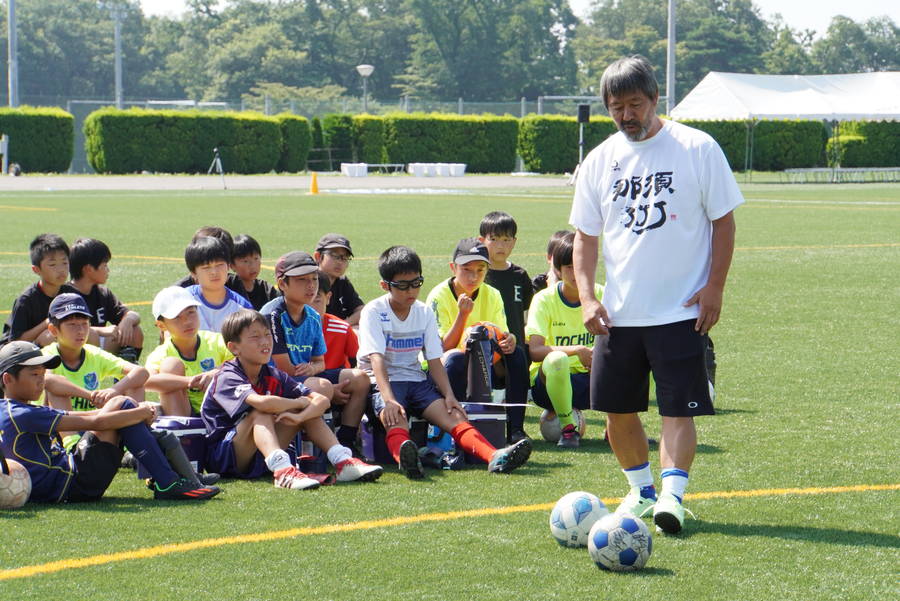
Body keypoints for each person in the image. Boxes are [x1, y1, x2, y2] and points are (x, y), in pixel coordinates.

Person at [569, 55, 743, 534]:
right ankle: (641, 491)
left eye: (635, 104)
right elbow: (585, 236)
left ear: (654, 98)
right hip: (619, 314)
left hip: (681, 310)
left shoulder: (697, 148)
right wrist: (588, 297)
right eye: (616, 107)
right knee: (617, 410)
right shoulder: (599, 160)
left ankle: (672, 497)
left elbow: (724, 221)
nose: (627, 115)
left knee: (676, 409)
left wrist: (715, 286)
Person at [357, 245, 532, 478]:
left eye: (416, 283)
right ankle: (405, 458)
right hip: (385, 381)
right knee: (395, 417)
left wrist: (449, 395)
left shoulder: (423, 312)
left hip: (416, 380)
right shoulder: (374, 311)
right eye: (403, 285)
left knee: (453, 414)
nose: (411, 291)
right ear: (384, 285)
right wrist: (388, 400)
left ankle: (494, 456)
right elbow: (376, 359)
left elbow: (434, 358)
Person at [0, 341, 220, 502]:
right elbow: (97, 423)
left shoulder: (10, 409)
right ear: (8, 379)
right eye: (34, 375)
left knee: (122, 406)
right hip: (71, 485)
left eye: (42, 374)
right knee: (123, 405)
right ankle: (170, 482)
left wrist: (136, 412)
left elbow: (85, 416)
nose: (41, 380)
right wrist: (139, 412)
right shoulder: (22, 414)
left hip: (60, 484)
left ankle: (179, 478)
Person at [201, 309, 382, 489]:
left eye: (267, 334)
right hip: (225, 459)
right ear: (234, 348)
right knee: (261, 413)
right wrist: (299, 403)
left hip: (261, 457)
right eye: (255, 337)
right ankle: (283, 471)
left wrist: (300, 416)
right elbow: (263, 404)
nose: (265, 341)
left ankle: (342, 460)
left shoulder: (273, 374)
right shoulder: (228, 375)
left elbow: (322, 401)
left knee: (303, 410)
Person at [424, 237, 530, 444]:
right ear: (453, 268)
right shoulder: (438, 296)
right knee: (455, 358)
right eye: (466, 270)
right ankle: (454, 430)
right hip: (447, 368)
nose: (474, 277)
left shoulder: (493, 294)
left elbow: (501, 334)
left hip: (484, 363)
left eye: (480, 270)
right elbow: (441, 348)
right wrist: (462, 316)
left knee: (517, 354)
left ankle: (516, 429)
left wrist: (509, 339)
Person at [260, 255, 368, 453]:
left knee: (360, 378)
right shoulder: (272, 315)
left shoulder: (312, 316)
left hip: (304, 377)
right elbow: (284, 369)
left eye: (314, 279)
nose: (311, 286)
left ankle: (346, 440)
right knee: (323, 388)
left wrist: (313, 369)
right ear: (282, 284)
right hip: (275, 381)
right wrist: (327, 389)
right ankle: (286, 446)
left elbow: (320, 362)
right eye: (302, 280)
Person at [40, 294, 149, 449]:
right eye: (72, 325)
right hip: (57, 429)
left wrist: (113, 390)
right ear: (53, 330)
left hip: (92, 424)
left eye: (84, 324)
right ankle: (72, 448)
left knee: (134, 384)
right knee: (56, 390)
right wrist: (90, 396)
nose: (80, 331)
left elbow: (141, 372)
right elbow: (49, 381)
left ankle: (133, 448)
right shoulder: (46, 355)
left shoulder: (93, 353)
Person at [525, 232, 602, 448]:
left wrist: (600, 357)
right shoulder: (544, 300)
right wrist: (577, 350)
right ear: (558, 269)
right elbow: (535, 351)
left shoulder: (602, 294)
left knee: (639, 349)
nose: (577, 273)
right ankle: (568, 429)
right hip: (548, 385)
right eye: (570, 267)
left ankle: (617, 428)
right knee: (557, 359)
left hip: (592, 381)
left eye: (582, 266)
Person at [479, 211, 532, 442]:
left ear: (514, 242)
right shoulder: (478, 274)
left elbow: (526, 314)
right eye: (494, 239)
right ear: (482, 240)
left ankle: (516, 427)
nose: (501, 245)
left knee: (516, 375)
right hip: (486, 346)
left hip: (513, 346)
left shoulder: (520, 275)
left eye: (506, 239)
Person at [145, 286, 232, 416]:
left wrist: (216, 373)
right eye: (177, 317)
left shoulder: (216, 340)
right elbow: (148, 380)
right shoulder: (161, 353)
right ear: (161, 325)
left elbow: (243, 362)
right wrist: (190, 381)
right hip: (185, 413)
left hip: (222, 410)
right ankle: (180, 426)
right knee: (171, 365)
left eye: (191, 312)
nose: (187, 321)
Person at [67, 237, 143, 363]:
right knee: (90, 335)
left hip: (99, 343)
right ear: (89, 269)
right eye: (105, 265)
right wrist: (101, 331)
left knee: (135, 330)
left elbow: (132, 314)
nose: (108, 270)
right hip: (75, 346)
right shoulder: (66, 295)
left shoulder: (102, 293)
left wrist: (128, 320)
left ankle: (127, 371)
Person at [1, 233, 76, 347]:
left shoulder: (71, 294)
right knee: (50, 336)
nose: (61, 269)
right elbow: (15, 341)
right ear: (36, 270)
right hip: (17, 351)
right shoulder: (26, 299)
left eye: (64, 263)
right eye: (52, 264)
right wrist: (47, 323)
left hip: (52, 346)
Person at [184, 236, 253, 332]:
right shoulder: (183, 300)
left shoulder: (242, 308)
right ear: (193, 273)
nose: (214, 272)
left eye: (219, 265)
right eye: (206, 267)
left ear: (228, 266)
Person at [314, 233, 363, 327]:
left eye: (345, 258)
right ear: (318, 256)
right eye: (335, 256)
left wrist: (342, 326)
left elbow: (362, 311)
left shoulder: (342, 282)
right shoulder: (310, 282)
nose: (340, 262)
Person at [229, 234, 280, 310]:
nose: (253, 266)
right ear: (232, 265)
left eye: (256, 258)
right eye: (245, 261)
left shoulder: (266, 290)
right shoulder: (227, 286)